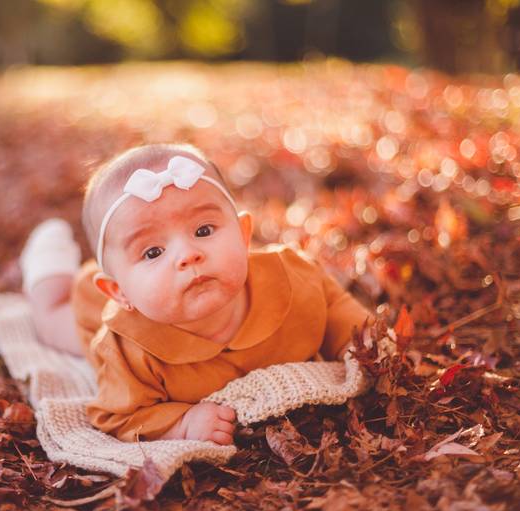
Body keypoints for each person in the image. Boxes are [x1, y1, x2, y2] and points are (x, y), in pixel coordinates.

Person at [20, 143, 371, 445]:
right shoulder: (124, 348)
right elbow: (121, 416)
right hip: (108, 312)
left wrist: (361, 341)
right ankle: (46, 262)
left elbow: (333, 305)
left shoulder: (291, 278)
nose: (188, 255)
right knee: (53, 319)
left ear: (243, 235)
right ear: (119, 290)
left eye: (203, 230)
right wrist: (181, 423)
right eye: (153, 252)